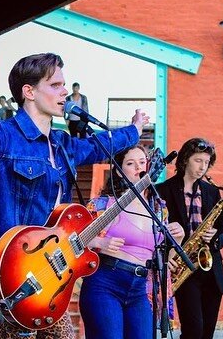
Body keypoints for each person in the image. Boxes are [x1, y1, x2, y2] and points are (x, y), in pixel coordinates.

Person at [0, 52, 150, 339]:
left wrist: (134, 130)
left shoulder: (62, 144)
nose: (65, 91)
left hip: (51, 279)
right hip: (12, 277)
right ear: (29, 92)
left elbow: (98, 146)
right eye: (55, 85)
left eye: (64, 85)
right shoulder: (3, 134)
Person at [79, 144, 185, 339]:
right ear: (120, 172)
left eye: (142, 162)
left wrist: (178, 238)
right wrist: (99, 243)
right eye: (130, 163)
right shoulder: (104, 204)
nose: (138, 167)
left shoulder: (158, 208)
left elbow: (164, 260)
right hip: (106, 282)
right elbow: (75, 243)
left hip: (141, 288)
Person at [155, 138, 223, 339]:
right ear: (185, 159)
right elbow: (156, 232)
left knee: (207, 333)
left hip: (210, 268)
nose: (202, 167)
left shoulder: (212, 192)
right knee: (193, 331)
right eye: (198, 161)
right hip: (184, 268)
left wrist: (215, 237)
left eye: (206, 162)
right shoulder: (163, 190)